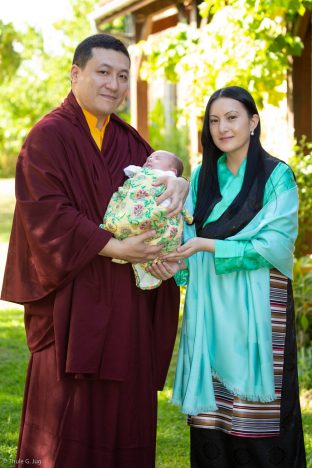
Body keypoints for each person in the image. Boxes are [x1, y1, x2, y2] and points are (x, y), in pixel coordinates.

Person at [1, 34, 189, 468]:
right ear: (76, 74)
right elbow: (46, 214)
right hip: (73, 306)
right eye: (103, 72)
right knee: (65, 429)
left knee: (125, 420)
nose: (114, 84)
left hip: (127, 309)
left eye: (123, 76)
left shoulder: (133, 144)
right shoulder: (47, 138)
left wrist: (178, 188)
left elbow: (160, 207)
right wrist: (117, 245)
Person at [149, 86, 306, 467]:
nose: (223, 128)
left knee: (260, 421)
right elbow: (184, 238)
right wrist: (168, 260)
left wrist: (207, 247)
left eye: (232, 117)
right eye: (214, 120)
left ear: (253, 122)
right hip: (211, 312)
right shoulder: (202, 177)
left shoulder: (276, 176)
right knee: (213, 421)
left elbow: (274, 246)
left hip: (259, 311)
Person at [102, 150, 192, 289]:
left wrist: (181, 183)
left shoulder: (168, 176)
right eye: (148, 158)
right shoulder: (140, 172)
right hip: (136, 206)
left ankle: (152, 259)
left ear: (172, 170)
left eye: (157, 158)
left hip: (158, 210)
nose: (149, 159)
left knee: (164, 224)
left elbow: (178, 192)